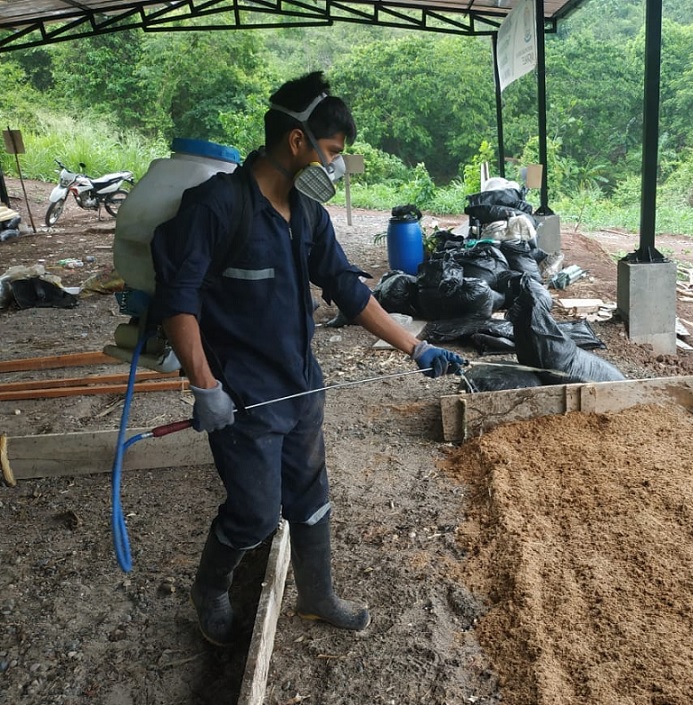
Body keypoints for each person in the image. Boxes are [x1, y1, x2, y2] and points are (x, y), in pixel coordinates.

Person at [150, 71, 465, 647]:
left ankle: (318, 597)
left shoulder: (308, 215)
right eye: (334, 152)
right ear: (299, 142)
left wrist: (415, 347)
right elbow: (179, 301)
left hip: (301, 387)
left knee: (311, 495)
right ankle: (210, 589)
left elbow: (347, 288)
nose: (337, 165)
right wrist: (204, 387)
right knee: (255, 513)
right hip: (243, 398)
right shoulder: (216, 208)